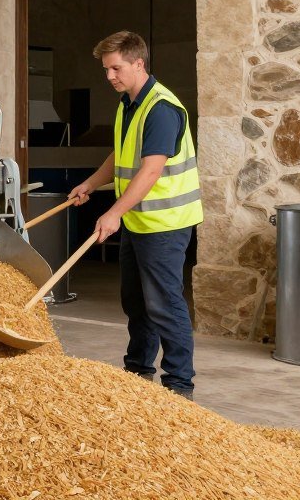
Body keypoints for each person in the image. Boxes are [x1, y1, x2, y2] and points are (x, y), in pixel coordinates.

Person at [68, 31, 201, 397]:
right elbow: (120, 155)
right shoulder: (128, 104)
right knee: (135, 301)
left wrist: (112, 214)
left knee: (163, 303)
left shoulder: (161, 108)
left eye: (116, 68)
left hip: (165, 223)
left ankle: (178, 386)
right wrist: (92, 184)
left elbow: (151, 170)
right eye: (106, 69)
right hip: (137, 220)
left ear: (138, 63)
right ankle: (138, 373)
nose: (110, 76)